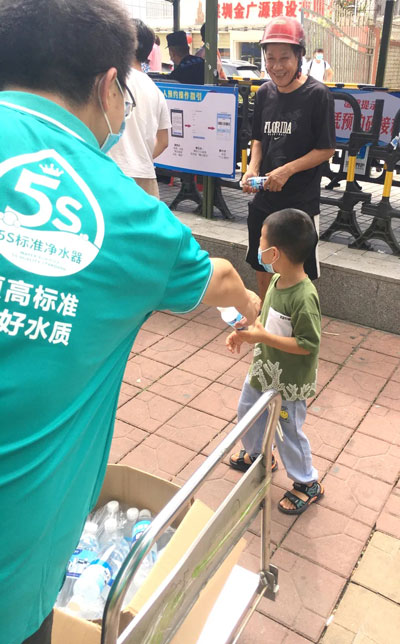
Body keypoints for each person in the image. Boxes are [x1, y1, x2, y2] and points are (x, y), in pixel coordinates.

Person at [0, 1, 261, 642]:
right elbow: (219, 281)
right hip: (15, 572)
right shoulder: (127, 212)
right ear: (109, 86)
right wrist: (256, 309)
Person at [228, 209, 324, 515]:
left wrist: (263, 338)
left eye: (261, 241)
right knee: (248, 412)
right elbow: (266, 321)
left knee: (288, 432)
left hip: (289, 384)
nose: (258, 247)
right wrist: (246, 332)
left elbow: (308, 345)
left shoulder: (304, 297)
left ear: (275, 253)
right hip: (263, 369)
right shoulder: (277, 281)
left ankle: (307, 482)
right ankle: (260, 455)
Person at [241, 16, 336, 301]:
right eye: (270, 58)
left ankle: (295, 322)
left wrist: (287, 170)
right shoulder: (264, 92)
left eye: (284, 58)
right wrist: (252, 168)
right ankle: (266, 317)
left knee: (298, 274)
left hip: (299, 204)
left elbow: (326, 149)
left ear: (299, 56)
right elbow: (259, 138)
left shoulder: (318, 95)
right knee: (262, 264)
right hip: (264, 200)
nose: (277, 66)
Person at [110, 20, 170, 198]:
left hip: (114, 173)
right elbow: (164, 141)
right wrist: (141, 158)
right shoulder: (155, 90)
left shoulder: (111, 80)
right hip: (146, 177)